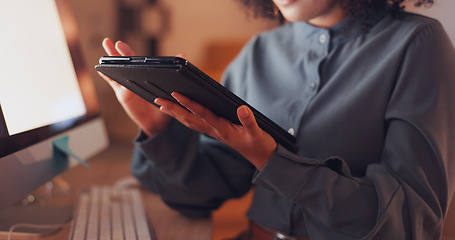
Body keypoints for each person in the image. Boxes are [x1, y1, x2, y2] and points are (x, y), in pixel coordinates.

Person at [99, 0, 455, 239]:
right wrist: (157, 127)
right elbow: (201, 195)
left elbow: (412, 222)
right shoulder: (258, 52)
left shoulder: (418, 44)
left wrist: (271, 161)